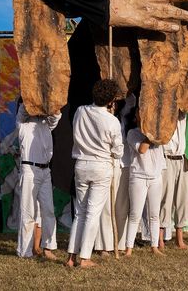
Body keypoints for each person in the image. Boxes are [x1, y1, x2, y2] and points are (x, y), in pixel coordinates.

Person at [66, 79, 124, 268]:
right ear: (110, 101)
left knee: (80, 213)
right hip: (100, 166)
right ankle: (84, 257)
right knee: (92, 213)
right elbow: (118, 152)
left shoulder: (80, 111)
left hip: (81, 164)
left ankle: (71, 257)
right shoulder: (112, 121)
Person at [16, 99, 61, 259]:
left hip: (45, 170)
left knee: (48, 210)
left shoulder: (45, 123)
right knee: (28, 211)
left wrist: (50, 103)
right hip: (29, 169)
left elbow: (56, 116)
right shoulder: (22, 122)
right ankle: (25, 251)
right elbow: (23, 109)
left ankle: (48, 247)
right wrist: (31, 98)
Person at [94, 94, 136, 254]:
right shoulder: (101, 117)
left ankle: (119, 242)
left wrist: (125, 90)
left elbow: (131, 100)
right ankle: (104, 245)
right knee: (106, 206)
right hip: (109, 164)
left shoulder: (125, 116)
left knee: (122, 206)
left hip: (124, 164)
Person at [125, 110, 166, 256]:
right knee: (135, 214)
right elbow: (142, 149)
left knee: (154, 215)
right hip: (138, 177)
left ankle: (154, 246)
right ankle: (128, 249)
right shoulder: (132, 133)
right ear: (136, 117)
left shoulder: (158, 134)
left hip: (155, 177)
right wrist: (151, 132)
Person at [159, 112, 188, 250]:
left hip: (181, 158)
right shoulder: (163, 114)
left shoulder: (182, 116)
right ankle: (159, 240)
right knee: (165, 199)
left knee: (182, 199)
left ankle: (180, 239)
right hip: (167, 158)